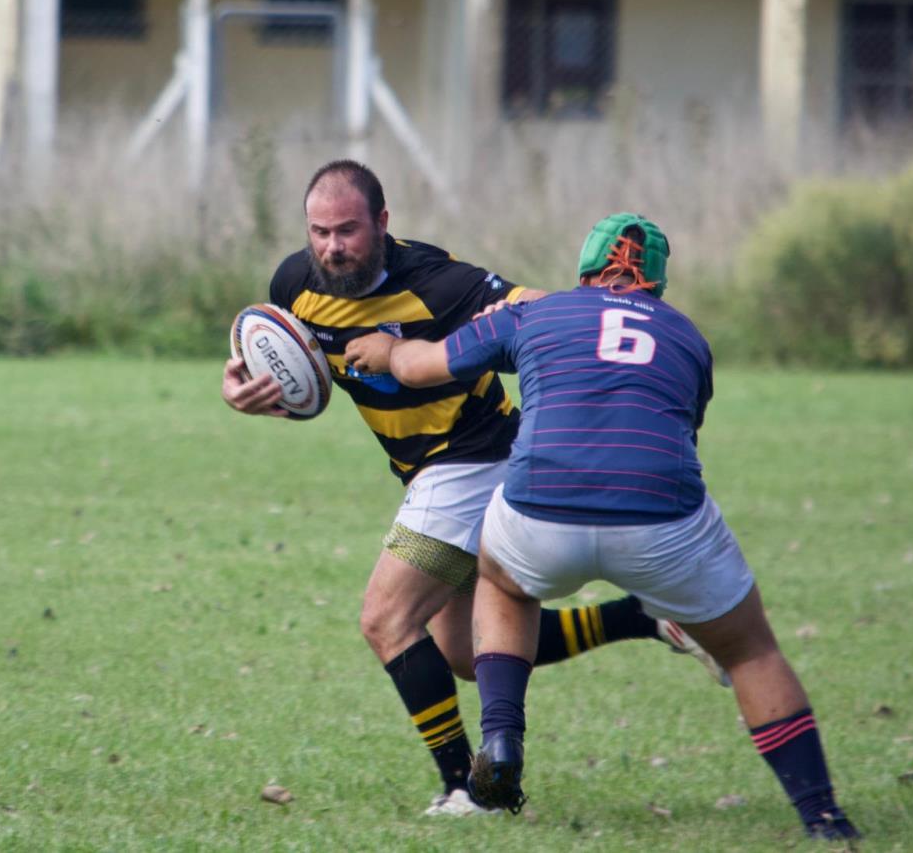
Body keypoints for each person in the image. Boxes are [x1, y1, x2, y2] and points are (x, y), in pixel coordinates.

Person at [221, 162, 730, 816]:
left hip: (472, 457)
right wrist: (245, 389)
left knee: (386, 619)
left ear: (381, 222)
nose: (333, 247)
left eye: (347, 230)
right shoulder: (295, 284)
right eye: (319, 232)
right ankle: (646, 617)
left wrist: (622, 331)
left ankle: (467, 785)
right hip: (429, 471)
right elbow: (291, 368)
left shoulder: (441, 282)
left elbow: (541, 308)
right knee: (465, 651)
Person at [385, 213, 860, 840]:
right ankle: (824, 819)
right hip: (660, 517)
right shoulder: (688, 337)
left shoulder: (536, 313)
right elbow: (681, 428)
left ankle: (500, 739)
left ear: (584, 270)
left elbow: (422, 366)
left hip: (540, 510)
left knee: (501, 584)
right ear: (657, 283)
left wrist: (386, 350)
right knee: (751, 651)